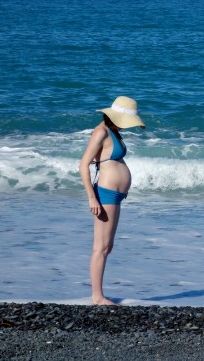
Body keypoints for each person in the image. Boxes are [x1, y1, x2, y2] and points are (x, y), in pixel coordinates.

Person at [79, 96, 145, 305]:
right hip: (105, 194)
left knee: (108, 246)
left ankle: (99, 294)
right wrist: (92, 198)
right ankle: (97, 297)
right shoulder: (101, 132)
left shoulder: (113, 131)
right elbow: (83, 165)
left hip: (113, 195)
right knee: (101, 246)